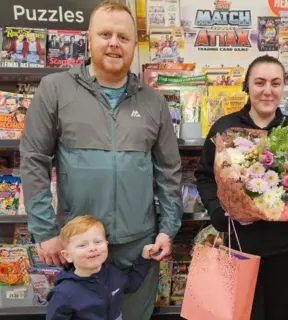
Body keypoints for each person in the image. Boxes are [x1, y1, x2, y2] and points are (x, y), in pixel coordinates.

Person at [19, 1, 183, 319]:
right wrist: (45, 231)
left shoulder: (154, 101)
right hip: (81, 249)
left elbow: (169, 172)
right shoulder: (55, 90)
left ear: (134, 45)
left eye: (123, 37)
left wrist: (167, 230)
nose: (113, 43)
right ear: (89, 40)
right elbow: (34, 159)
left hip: (138, 249)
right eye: (105, 34)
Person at [195, 55, 288, 320]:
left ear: (283, 88)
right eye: (259, 82)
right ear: (247, 86)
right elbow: (204, 175)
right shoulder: (224, 127)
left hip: (287, 248)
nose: (267, 90)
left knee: (277, 313)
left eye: (275, 83)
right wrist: (218, 213)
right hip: (239, 245)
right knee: (242, 314)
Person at [46, 216, 154, 320]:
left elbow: (131, 284)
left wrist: (144, 259)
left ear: (106, 244)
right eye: (82, 245)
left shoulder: (113, 273)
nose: (93, 248)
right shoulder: (63, 293)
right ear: (67, 256)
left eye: (97, 242)